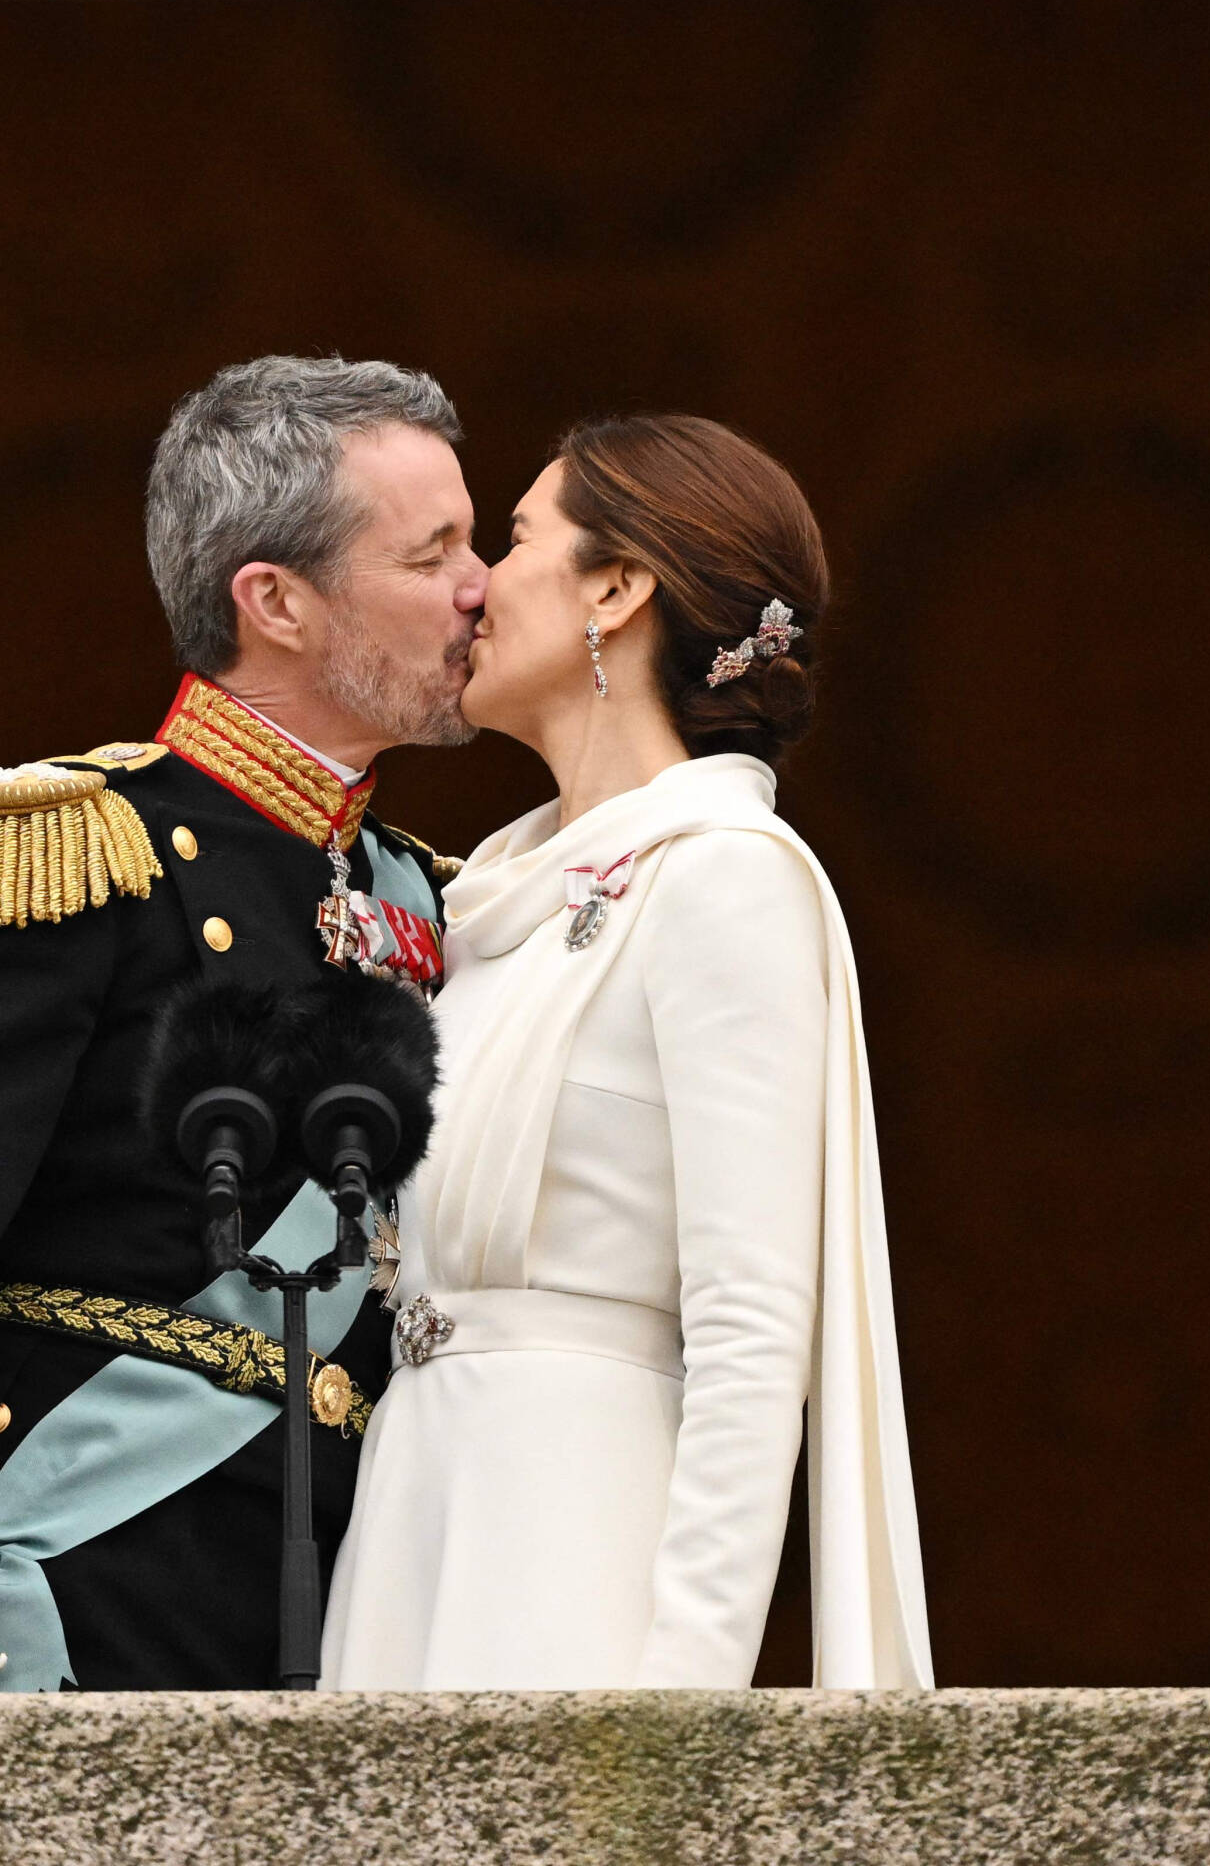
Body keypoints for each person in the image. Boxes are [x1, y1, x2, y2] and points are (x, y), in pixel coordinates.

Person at [0, 356, 486, 1694]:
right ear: (273, 599)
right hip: (93, 1592)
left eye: (476, 542)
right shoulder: (68, 850)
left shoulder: (436, 895)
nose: (481, 586)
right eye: (432, 551)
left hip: (366, 1611)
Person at [320, 414, 931, 1691]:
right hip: (411, 1521)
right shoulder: (488, 899)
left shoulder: (722, 879)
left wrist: (686, 1700)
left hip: (576, 1547)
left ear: (615, 585)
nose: (476, 581)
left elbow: (753, 1323)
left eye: (520, 536)